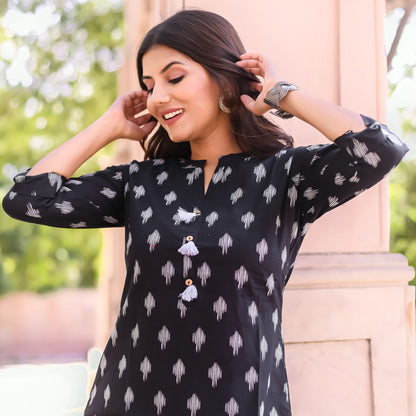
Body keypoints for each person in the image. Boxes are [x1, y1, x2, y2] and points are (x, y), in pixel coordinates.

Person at [2, 9, 408, 416]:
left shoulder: (285, 176)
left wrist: (282, 94)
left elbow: (381, 148)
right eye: (148, 86)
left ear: (223, 79)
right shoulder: (141, 181)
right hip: (130, 399)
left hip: (241, 400)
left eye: (174, 78)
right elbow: (28, 199)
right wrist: (108, 126)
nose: (158, 97)